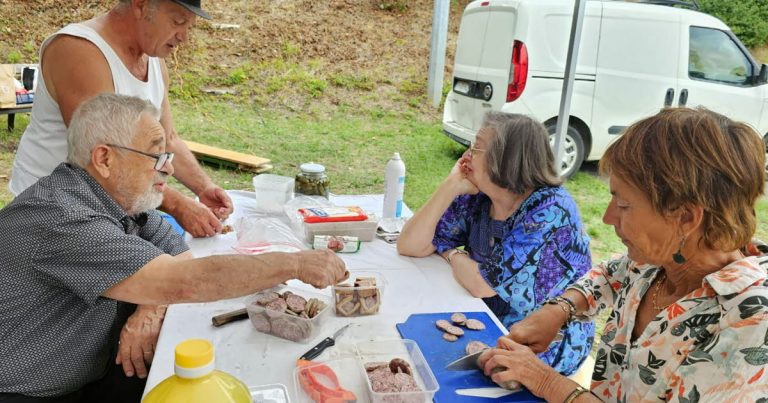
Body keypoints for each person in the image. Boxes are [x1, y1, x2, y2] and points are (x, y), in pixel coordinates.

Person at [0, 94, 349, 403]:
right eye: (155, 155)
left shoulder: (117, 201)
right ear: (104, 159)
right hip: (26, 391)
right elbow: (185, 281)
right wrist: (295, 264)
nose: (168, 166)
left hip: (91, 371)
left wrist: (149, 307)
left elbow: (177, 255)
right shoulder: (62, 218)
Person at [479, 108, 768, 402]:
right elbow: (609, 274)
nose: (607, 217)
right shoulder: (656, 258)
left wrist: (545, 381)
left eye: (625, 205)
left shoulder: (751, 322)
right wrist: (560, 309)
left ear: (685, 217)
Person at [9, 0, 233, 238]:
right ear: (141, 5)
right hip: (52, 209)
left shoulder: (153, 59)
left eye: (190, 26)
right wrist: (178, 205)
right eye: (178, 22)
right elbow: (106, 160)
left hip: (113, 206)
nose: (184, 37)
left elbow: (167, 139)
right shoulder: (79, 51)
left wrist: (204, 187)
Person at [397, 111, 594, 376]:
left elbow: (482, 284)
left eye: (477, 147)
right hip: (488, 320)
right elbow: (410, 245)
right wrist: (451, 184)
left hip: (543, 342)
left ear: (507, 159)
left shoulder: (550, 209)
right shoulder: (480, 197)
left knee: (430, 367)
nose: (467, 154)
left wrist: (450, 252)